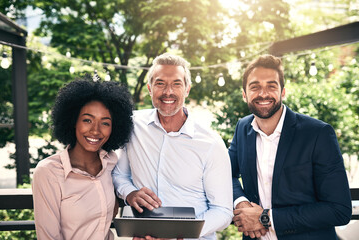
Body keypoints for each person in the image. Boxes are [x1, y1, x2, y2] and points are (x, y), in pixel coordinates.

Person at [229, 54, 352, 240]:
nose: (263, 94)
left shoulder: (318, 134)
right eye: (255, 87)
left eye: (271, 86)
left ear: (283, 92)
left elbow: (339, 209)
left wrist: (266, 218)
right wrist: (242, 203)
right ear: (244, 94)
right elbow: (226, 174)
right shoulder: (242, 128)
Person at [112, 53, 233, 239]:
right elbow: (120, 175)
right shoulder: (132, 126)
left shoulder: (211, 143)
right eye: (160, 83)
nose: (168, 91)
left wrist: (179, 233)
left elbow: (223, 211)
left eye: (176, 84)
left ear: (187, 89)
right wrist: (130, 193)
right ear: (150, 89)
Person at [32, 78, 134, 240]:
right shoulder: (48, 172)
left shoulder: (110, 162)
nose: (95, 130)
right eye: (87, 120)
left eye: (105, 123)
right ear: (73, 121)